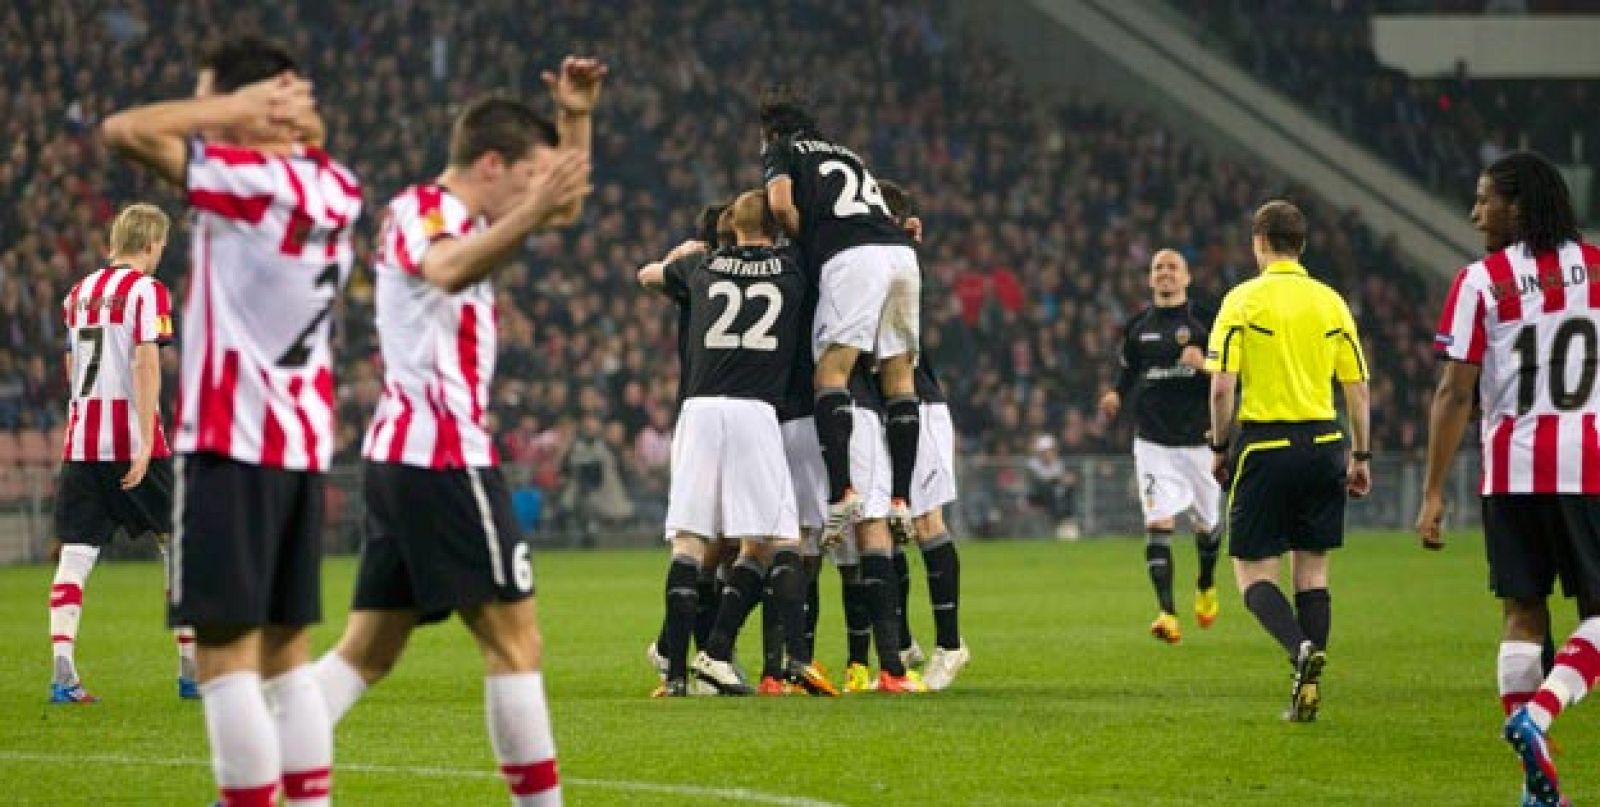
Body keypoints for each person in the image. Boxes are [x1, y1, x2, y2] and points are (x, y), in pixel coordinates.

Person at [311, 66, 601, 807]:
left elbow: (559, 207)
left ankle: (243, 787)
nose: (538, 190)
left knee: (366, 653)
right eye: (527, 176)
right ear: (491, 165)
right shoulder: (423, 211)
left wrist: (574, 121)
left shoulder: (471, 217)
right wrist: (533, 208)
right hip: (441, 455)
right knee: (514, 643)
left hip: (408, 456)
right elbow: (443, 272)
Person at [102, 36, 363, 807]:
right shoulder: (336, 186)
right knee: (288, 657)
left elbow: (124, 130)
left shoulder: (249, 181)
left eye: (212, 94)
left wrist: (230, 108)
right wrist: (272, 115)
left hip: (228, 441)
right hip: (300, 448)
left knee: (224, 661)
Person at [1416, 151, 1599, 807]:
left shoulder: (1479, 281)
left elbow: (1453, 392)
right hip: (1586, 466)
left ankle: (1535, 785)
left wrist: (1434, 490)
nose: (1473, 212)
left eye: (1482, 198)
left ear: (1516, 207)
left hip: (1508, 471)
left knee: (1522, 611)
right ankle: (1540, 715)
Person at [639, 189, 836, 697]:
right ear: (775, 229)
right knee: (781, 538)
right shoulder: (793, 269)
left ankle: (676, 674)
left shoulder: (702, 266)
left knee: (689, 542)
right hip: (756, 411)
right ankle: (790, 659)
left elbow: (647, 275)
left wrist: (674, 259)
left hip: (699, 410)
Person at [1204, 200, 1371, 723]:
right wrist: (1361, 455)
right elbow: (1358, 389)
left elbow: (1222, 387)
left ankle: (1298, 648)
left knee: (1253, 576)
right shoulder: (1330, 302)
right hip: (1326, 443)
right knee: (1314, 574)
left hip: (1267, 446)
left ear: (1259, 243)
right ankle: (1308, 690)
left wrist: (1219, 446)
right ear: (1302, 245)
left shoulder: (1242, 301)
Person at [759, 84, 922, 547]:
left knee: (830, 374)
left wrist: (808, 243)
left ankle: (841, 492)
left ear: (771, 131)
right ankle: (901, 499)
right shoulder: (850, 155)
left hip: (852, 259)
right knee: (899, 378)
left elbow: (780, 205)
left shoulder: (782, 149)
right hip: (900, 257)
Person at [47, 203, 190, 703]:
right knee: (178, 542)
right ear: (151, 243)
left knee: (76, 554)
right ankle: (191, 667)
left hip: (83, 440)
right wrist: (147, 441)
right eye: (161, 248)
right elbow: (147, 362)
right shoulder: (149, 293)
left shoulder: (77, 294)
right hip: (132, 439)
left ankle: (63, 668)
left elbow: (71, 363)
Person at [1098, 249, 1222, 644]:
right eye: (1158, 268)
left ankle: (1205, 583)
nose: (1165, 273)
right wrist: (1116, 395)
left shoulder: (1207, 319)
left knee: (1208, 526)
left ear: (1187, 278)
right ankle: (1167, 613)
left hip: (1201, 441)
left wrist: (1205, 365)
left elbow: (1234, 372)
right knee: (1158, 522)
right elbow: (1129, 370)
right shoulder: (1138, 326)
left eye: (1172, 267)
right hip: (1153, 442)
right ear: (1150, 279)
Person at [878, 179, 968, 690]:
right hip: (882, 408)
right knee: (886, 524)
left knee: (927, 520)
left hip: (921, 406)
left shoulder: (899, 262)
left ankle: (951, 645)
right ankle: (907, 639)